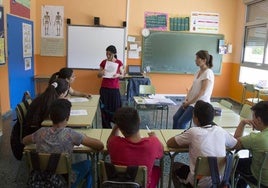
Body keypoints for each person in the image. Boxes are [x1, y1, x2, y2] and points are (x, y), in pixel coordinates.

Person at [23, 99, 104, 188]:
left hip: (41, 179)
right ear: (68, 117)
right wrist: (84, 136)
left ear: (50, 116)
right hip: (63, 181)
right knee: (88, 164)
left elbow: (24, 141)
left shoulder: (41, 133)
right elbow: (100, 145)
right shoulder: (71, 134)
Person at [167, 100, 237, 187]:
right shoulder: (220, 130)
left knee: (175, 166)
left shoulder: (193, 132)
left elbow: (170, 143)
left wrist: (190, 143)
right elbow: (235, 144)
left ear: (196, 119)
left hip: (199, 182)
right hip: (219, 181)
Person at [107, 107, 163, 188]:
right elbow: (161, 152)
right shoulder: (153, 143)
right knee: (157, 169)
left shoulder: (113, 143)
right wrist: (155, 137)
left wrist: (116, 127)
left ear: (120, 128)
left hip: (118, 184)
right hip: (142, 185)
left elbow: (108, 143)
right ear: (139, 120)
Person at [173, 50, 214, 129]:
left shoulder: (208, 73)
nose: (195, 60)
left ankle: (181, 140)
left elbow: (202, 92)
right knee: (176, 117)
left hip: (198, 104)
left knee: (181, 122)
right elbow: (192, 87)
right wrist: (186, 99)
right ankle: (175, 138)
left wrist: (189, 103)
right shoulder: (198, 71)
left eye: (197, 58)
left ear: (204, 60)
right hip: (190, 102)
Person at [233, 101, 268, 187]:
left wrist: (242, 123)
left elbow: (234, 143)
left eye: (253, 117)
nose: (252, 119)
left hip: (261, 179)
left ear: (259, 120)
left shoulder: (256, 138)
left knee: (233, 163)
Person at [97, 45, 124, 128]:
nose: (108, 56)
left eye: (110, 54)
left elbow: (122, 75)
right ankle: (106, 127)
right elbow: (98, 75)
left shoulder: (119, 62)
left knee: (117, 108)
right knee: (104, 109)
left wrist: (118, 75)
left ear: (114, 54)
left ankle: (116, 126)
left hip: (114, 89)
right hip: (104, 89)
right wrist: (102, 72)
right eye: (107, 54)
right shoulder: (103, 62)